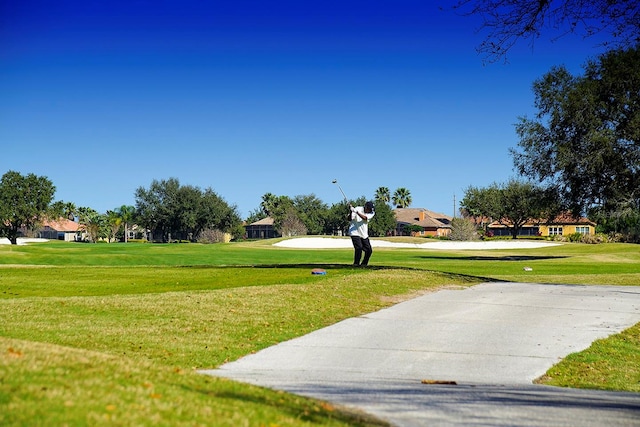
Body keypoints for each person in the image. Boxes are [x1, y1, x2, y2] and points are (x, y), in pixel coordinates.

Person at [347, 201, 375, 266]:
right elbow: (349, 219)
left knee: (369, 251)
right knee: (359, 248)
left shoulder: (372, 213)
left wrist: (356, 212)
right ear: (366, 207)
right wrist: (351, 211)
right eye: (370, 209)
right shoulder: (358, 208)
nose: (370, 210)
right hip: (354, 232)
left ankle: (364, 264)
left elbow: (365, 218)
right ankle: (356, 264)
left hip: (364, 234)